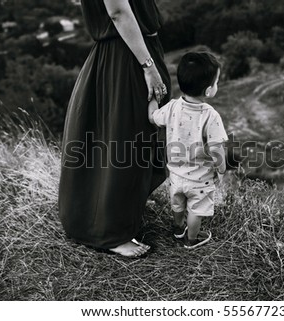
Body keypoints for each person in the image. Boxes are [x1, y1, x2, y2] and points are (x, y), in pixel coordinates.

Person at [58, 0, 170, 258]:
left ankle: (118, 212)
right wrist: (148, 66)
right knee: (123, 138)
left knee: (130, 137)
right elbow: (118, 12)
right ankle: (108, 233)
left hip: (134, 49)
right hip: (125, 55)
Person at [148, 52, 228, 249]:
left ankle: (177, 228)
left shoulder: (172, 107)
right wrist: (222, 169)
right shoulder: (211, 116)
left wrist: (151, 99)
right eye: (216, 82)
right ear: (209, 91)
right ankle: (191, 240)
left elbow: (153, 118)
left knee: (178, 203)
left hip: (175, 173)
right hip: (200, 178)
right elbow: (217, 149)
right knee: (196, 210)